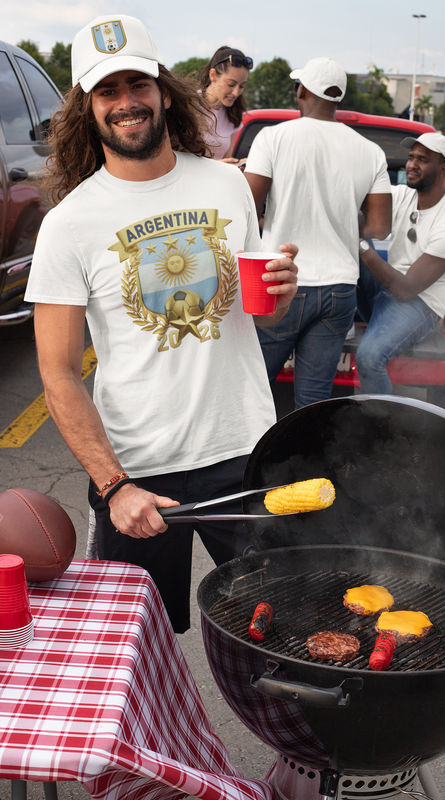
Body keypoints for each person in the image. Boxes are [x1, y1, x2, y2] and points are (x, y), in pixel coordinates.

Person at [24, 14, 298, 634]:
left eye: (137, 84)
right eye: (107, 91)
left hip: (244, 451)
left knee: (276, 628)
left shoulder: (227, 187)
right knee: (140, 643)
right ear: (88, 107)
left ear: (164, 91)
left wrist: (281, 294)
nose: (126, 102)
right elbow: (58, 374)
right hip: (138, 472)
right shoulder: (69, 224)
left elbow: (260, 312)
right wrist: (113, 485)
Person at [244, 58, 392, 409]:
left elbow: (245, 206)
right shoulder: (370, 151)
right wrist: (341, 218)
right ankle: (306, 447)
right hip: (340, 288)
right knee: (313, 402)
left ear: (303, 91)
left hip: (284, 283)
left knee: (253, 389)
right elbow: (380, 227)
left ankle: (252, 446)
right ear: (337, 98)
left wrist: (270, 217)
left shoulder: (273, 138)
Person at [355, 132, 445, 394]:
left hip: (419, 305)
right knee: (349, 229)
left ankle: (380, 419)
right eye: (410, 158)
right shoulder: (402, 195)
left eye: (423, 160)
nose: (411, 165)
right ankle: (329, 317)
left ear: (443, 169)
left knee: (369, 359)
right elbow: (360, 206)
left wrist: (359, 244)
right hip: (385, 291)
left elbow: (406, 290)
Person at [198, 46, 252, 163]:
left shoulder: (233, 114)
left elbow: (226, 160)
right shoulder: (188, 106)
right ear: (213, 75)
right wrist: (217, 166)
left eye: (242, 86)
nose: (236, 93)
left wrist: (237, 165)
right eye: (231, 84)